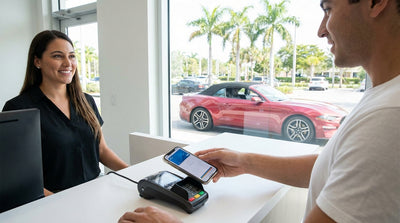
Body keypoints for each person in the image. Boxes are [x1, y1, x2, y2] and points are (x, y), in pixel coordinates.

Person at [119, 0, 400, 222]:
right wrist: (244, 162)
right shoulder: (383, 98)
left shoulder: (387, 116)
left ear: (376, 2)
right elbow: (332, 167)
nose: (321, 29)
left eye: (328, 9)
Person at [2, 30, 128, 196]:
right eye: (57, 56)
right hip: (51, 199)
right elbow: (18, 173)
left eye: (72, 56)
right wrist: (56, 202)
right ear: (37, 61)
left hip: (95, 190)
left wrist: (134, 173)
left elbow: (102, 151)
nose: (68, 63)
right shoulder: (18, 108)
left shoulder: (86, 101)